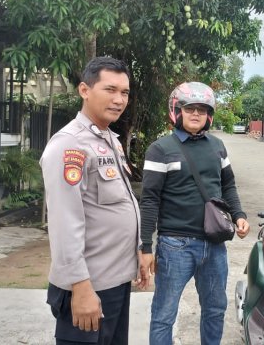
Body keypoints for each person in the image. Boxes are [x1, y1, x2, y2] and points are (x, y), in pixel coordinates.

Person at [40, 56, 148, 345]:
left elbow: (119, 205)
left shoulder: (108, 139)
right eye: (110, 89)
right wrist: (80, 287)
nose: (119, 99)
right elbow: (65, 224)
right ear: (84, 90)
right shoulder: (69, 144)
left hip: (115, 282)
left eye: (124, 92)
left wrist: (137, 250)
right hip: (89, 287)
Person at [139, 81, 250, 345]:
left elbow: (228, 186)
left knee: (215, 310)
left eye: (202, 109)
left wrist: (239, 215)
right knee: (164, 314)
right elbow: (150, 200)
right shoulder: (160, 149)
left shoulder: (217, 146)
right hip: (175, 246)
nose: (196, 114)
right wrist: (145, 246)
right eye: (189, 108)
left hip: (214, 245)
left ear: (209, 115)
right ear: (177, 110)